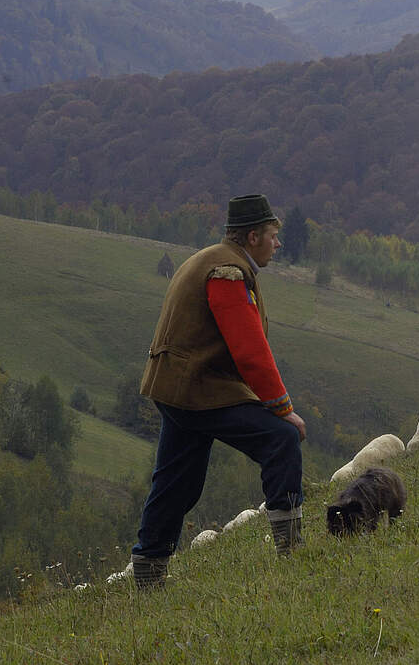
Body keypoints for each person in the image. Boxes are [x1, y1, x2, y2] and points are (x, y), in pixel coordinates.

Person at [129, 194, 306, 590]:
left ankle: (149, 573)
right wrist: (283, 408)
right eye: (273, 236)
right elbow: (250, 351)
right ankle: (292, 551)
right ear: (254, 235)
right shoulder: (228, 272)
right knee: (282, 439)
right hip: (198, 390)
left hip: (177, 386)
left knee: (177, 481)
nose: (277, 244)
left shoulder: (208, 258)